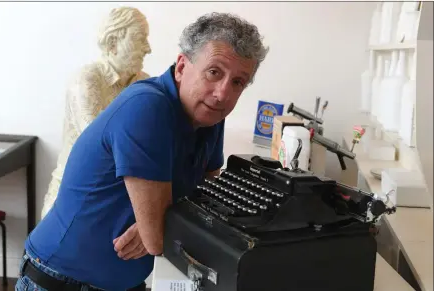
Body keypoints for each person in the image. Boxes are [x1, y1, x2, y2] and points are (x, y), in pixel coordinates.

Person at [16, 12, 268, 291]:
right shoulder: (147, 107)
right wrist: (160, 223)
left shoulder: (210, 115)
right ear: (182, 66)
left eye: (237, 82)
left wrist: (162, 218)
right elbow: (157, 239)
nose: (223, 93)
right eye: (214, 72)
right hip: (59, 280)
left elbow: (205, 197)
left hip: (123, 282)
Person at [41, 6, 152, 218]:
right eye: (140, 38)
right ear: (113, 43)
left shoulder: (144, 82)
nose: (148, 48)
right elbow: (99, 147)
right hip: (73, 199)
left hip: (116, 199)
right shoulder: (87, 79)